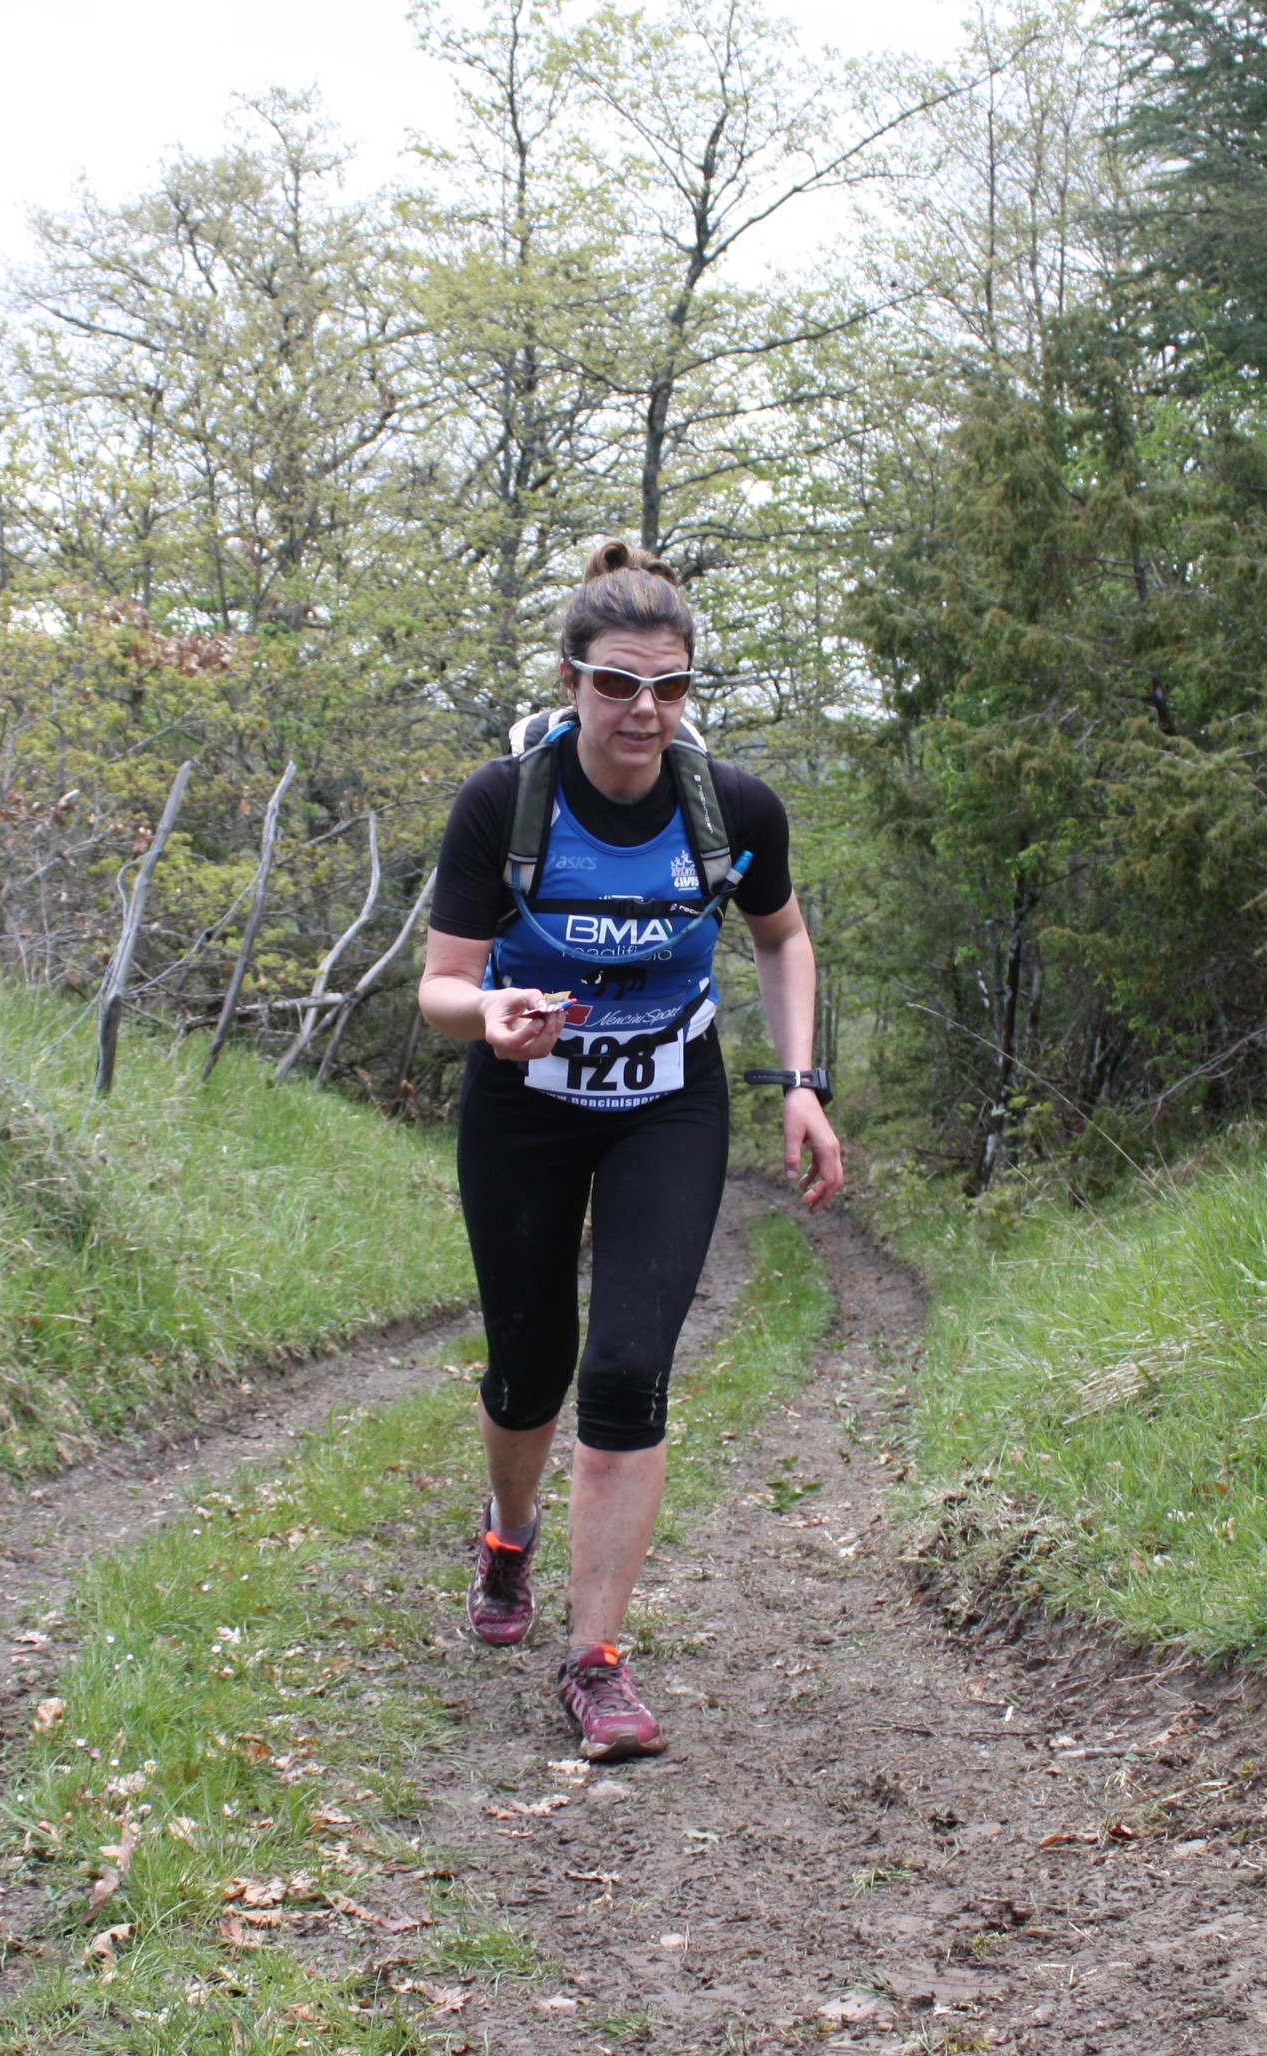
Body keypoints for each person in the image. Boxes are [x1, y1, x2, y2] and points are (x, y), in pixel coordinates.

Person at [418, 537, 845, 1761]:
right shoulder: (505, 804)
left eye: (668, 687)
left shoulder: (734, 808)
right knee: (528, 1362)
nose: (643, 711)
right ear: (570, 681)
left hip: (670, 1099)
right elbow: (440, 986)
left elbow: (780, 937)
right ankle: (508, 1536)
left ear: (689, 691)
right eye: (616, 684)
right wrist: (488, 1014)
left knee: (625, 1368)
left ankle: (595, 1660)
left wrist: (801, 1082)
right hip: (524, 1099)